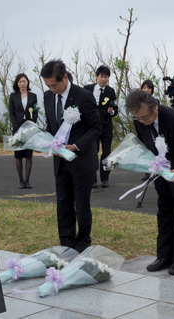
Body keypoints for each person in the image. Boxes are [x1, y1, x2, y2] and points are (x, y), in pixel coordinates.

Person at [125, 89, 174, 275]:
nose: (142, 121)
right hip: (162, 175)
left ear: (155, 108)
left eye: (144, 117)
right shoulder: (140, 120)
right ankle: (164, 256)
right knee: (165, 215)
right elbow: (146, 144)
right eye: (138, 118)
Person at [41, 59, 101, 253]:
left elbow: (95, 128)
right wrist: (44, 140)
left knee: (82, 205)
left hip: (81, 161)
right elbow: (51, 125)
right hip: (60, 162)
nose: (52, 89)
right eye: (48, 85)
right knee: (63, 203)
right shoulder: (48, 97)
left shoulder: (84, 96)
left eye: (55, 85)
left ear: (65, 77)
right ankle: (66, 242)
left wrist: (75, 146)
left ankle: (83, 242)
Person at [84, 66, 118, 189]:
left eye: (106, 77)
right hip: (92, 127)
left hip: (106, 126)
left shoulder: (111, 91)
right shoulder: (88, 89)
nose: (104, 79)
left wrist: (111, 112)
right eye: (102, 76)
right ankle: (92, 179)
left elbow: (116, 109)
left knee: (107, 153)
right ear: (97, 76)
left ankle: (105, 178)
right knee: (93, 152)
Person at [9, 73, 38, 189]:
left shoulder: (33, 96)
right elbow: (11, 112)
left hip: (29, 128)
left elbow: (35, 111)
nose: (22, 83)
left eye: (24, 81)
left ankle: (27, 180)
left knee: (29, 156)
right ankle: (21, 180)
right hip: (17, 129)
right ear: (17, 83)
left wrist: (32, 125)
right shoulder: (13, 96)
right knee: (19, 156)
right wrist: (17, 127)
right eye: (20, 81)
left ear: (27, 82)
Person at [140, 79, 156, 181]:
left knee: (153, 150)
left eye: (149, 88)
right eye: (144, 87)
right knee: (144, 150)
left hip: (152, 128)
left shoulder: (155, 101)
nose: (147, 90)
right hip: (141, 129)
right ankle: (146, 173)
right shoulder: (138, 102)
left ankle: (154, 171)